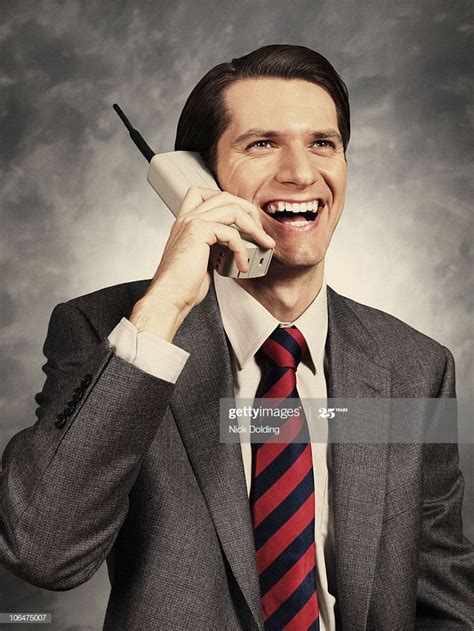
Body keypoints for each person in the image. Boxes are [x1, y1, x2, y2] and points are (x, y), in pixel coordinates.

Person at [0, 45, 472, 631]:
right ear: (200, 179)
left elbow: (443, 599)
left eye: (323, 143)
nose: (301, 172)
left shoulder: (415, 370)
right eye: (262, 143)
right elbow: (42, 550)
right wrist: (165, 304)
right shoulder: (110, 333)